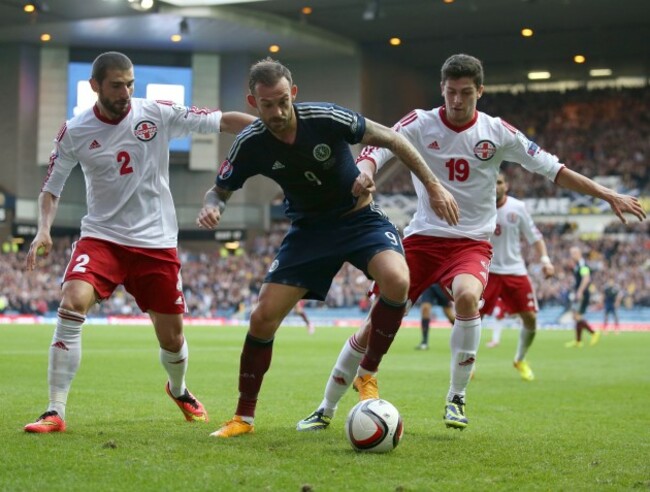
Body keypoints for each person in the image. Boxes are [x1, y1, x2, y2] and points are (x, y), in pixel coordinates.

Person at [296, 53, 646, 432]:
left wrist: (606, 194)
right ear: (441, 90)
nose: (457, 101)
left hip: (471, 243)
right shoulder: (419, 122)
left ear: (480, 91)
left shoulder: (498, 133)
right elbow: (377, 147)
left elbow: (555, 170)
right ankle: (326, 407)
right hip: (421, 240)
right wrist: (365, 171)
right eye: (450, 92)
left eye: (466, 93)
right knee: (372, 328)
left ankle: (456, 398)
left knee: (466, 295)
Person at [196, 57, 459, 438]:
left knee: (398, 281)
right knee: (261, 319)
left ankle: (367, 373)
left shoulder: (327, 117)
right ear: (253, 103)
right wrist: (212, 206)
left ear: (294, 94)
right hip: (308, 233)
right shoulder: (250, 143)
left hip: (359, 220)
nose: (277, 110)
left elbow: (394, 139)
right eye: (267, 104)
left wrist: (433, 185)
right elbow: (218, 190)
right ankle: (243, 418)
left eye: (283, 100)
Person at [23, 51, 255, 433]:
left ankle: (178, 389)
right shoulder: (74, 131)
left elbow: (221, 121)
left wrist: (273, 129)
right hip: (102, 238)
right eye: (117, 85)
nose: (126, 92)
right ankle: (54, 411)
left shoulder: (156, 113)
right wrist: (43, 228)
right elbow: (52, 188)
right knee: (72, 302)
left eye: (130, 83)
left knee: (173, 336)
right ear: (94, 85)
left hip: (156, 242)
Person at [479, 173, 555, 381]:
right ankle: (467, 362)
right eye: (491, 182)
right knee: (472, 317)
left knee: (530, 318)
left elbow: (535, 238)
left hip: (514, 270)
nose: (495, 186)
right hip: (486, 271)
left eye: (499, 182)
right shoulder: (476, 204)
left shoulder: (517, 208)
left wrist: (546, 261)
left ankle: (520, 359)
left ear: (507, 185)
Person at [565, 246, 600, 347]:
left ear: (578, 253)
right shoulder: (577, 265)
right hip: (580, 292)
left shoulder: (583, 265)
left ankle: (593, 333)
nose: (571, 256)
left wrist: (580, 291)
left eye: (573, 253)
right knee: (576, 316)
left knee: (577, 316)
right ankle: (578, 341)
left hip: (583, 293)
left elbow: (586, 279)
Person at [415, 283, 455, 350]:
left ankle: (463, 334)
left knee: (449, 314)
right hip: (429, 284)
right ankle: (424, 342)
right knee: (425, 309)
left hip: (441, 284)